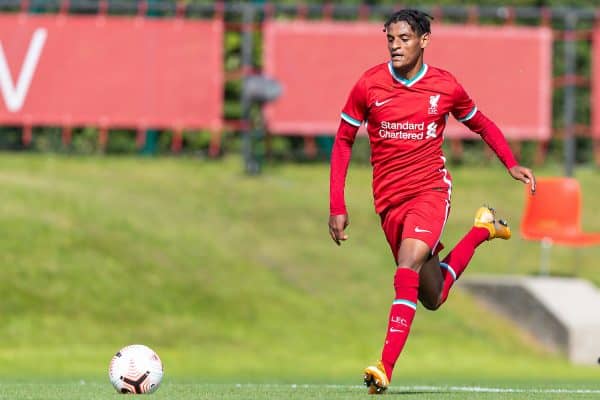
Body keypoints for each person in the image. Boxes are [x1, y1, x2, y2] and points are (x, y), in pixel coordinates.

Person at [328, 9, 536, 395]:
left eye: (404, 39)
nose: (396, 46)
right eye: (390, 39)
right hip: (389, 203)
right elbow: (342, 141)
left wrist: (510, 162)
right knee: (432, 295)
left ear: (424, 40)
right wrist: (337, 205)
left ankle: (383, 367)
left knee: (407, 266)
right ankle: (482, 229)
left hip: (430, 192)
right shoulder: (368, 85)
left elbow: (481, 123)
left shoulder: (445, 86)